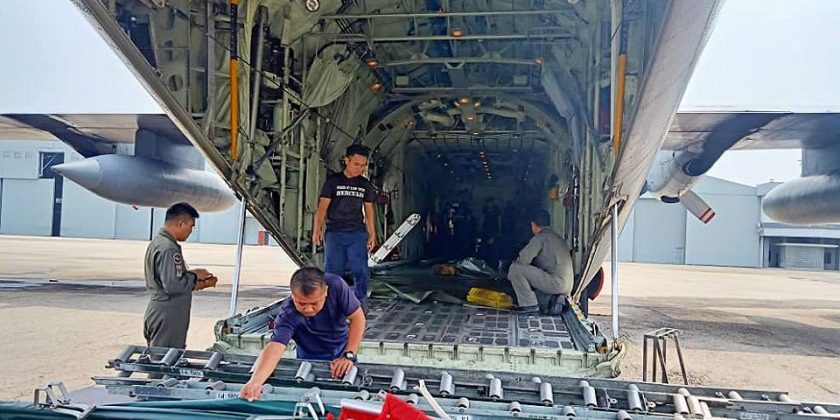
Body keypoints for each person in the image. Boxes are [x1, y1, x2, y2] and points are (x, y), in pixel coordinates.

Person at [239, 267, 366, 401]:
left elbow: (358, 318)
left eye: (314, 303)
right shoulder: (288, 314)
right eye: (302, 303)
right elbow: (275, 346)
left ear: (325, 292)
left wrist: (349, 355)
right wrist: (255, 382)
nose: (309, 309)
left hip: (342, 347)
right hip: (308, 355)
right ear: (293, 296)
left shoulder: (336, 286)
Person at [144, 202, 217, 349]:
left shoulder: (159, 243)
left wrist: (194, 277)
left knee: (163, 357)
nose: (191, 231)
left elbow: (168, 278)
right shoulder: (169, 248)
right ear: (180, 223)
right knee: (165, 359)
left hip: (161, 310)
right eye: (191, 226)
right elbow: (173, 285)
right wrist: (195, 277)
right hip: (168, 314)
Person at [313, 144, 377, 302]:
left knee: (360, 269)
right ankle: (331, 302)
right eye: (356, 164)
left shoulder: (365, 185)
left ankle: (359, 302)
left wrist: (372, 234)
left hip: (357, 233)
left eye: (363, 166)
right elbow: (322, 207)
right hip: (335, 233)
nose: (360, 169)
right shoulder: (333, 181)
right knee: (333, 271)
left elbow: (369, 210)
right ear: (346, 161)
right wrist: (317, 229)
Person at [507, 209, 573, 315]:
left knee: (515, 269)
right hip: (568, 285)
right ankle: (551, 302)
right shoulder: (557, 237)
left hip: (556, 283)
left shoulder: (540, 237)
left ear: (533, 225)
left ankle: (529, 306)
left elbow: (523, 260)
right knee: (538, 295)